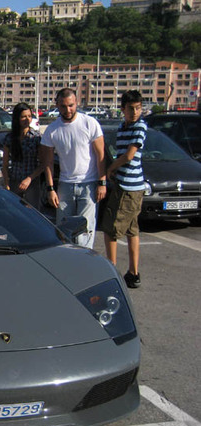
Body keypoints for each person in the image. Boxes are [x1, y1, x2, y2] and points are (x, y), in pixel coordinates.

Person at [40, 88, 106, 249]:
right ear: (57, 105)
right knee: (63, 230)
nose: (67, 110)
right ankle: (68, 262)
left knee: (86, 230)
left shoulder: (89, 123)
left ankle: (85, 263)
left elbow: (100, 155)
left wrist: (102, 182)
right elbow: (47, 162)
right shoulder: (52, 130)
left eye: (71, 105)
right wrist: (50, 188)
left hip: (88, 183)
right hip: (65, 184)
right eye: (63, 106)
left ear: (76, 103)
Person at [101, 90, 146, 288]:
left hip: (129, 187)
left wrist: (110, 168)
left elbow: (128, 156)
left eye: (138, 108)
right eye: (130, 108)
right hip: (126, 184)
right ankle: (133, 272)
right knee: (131, 229)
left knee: (110, 229)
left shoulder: (140, 127)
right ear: (123, 109)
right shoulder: (122, 128)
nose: (134, 112)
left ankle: (113, 273)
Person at [2, 102, 45, 209]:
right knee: (14, 211)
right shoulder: (10, 138)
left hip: (31, 182)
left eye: (29, 116)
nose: (27, 119)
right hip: (15, 180)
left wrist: (29, 179)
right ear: (17, 118)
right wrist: (6, 182)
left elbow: (43, 163)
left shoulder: (35, 137)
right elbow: (5, 164)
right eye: (23, 117)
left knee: (32, 212)